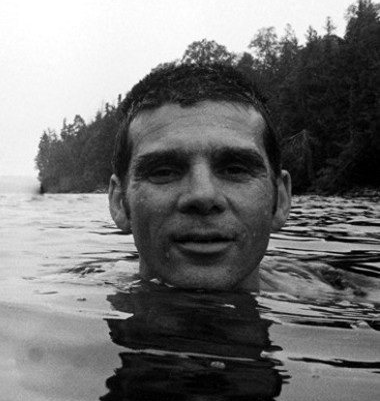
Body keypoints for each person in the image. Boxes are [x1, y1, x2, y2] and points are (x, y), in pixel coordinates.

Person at [108, 63, 292, 291]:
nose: (203, 196)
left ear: (280, 200)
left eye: (235, 170)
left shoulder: (332, 301)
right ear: (119, 203)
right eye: (163, 172)